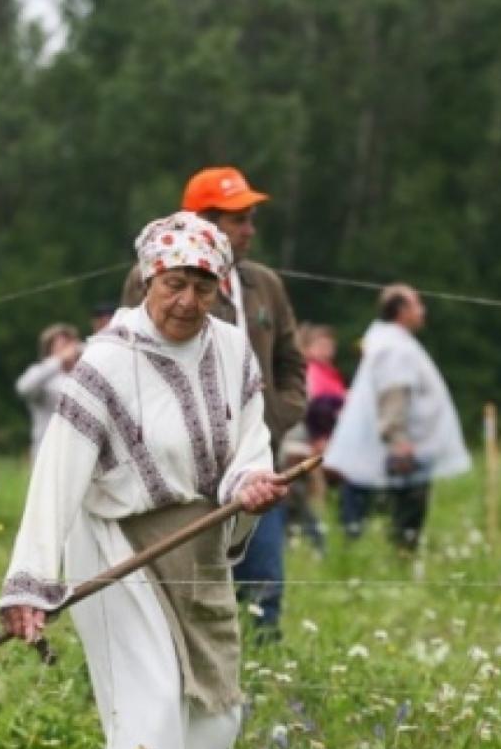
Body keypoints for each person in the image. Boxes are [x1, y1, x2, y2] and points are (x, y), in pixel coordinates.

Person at [1, 212, 287, 749]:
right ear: (148, 278)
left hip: (199, 544)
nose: (187, 301)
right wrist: (30, 583)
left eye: (203, 287)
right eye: (173, 284)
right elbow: (57, 474)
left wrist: (250, 481)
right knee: (151, 700)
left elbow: (250, 440)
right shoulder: (105, 362)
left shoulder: (233, 349)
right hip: (117, 545)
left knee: (217, 705)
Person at [121, 167, 304, 645]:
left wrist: (273, 421)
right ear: (200, 221)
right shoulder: (152, 279)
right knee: (182, 588)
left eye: (251, 218)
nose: (249, 229)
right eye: (238, 218)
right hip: (180, 476)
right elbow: (130, 367)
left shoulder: (264, 284)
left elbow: (291, 363)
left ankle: (264, 681)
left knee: (264, 581)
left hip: (257, 465)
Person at [324, 284, 469, 550]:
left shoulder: (390, 342)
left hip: (384, 448)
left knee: (368, 522)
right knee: (400, 523)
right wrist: (398, 440)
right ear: (402, 311)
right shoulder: (395, 348)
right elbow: (394, 393)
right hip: (397, 451)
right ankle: (387, 564)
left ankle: (364, 561)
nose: (423, 311)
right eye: (418, 305)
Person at [285, 324, 345, 552]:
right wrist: (321, 436)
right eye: (320, 345)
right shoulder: (310, 373)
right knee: (300, 498)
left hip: (309, 444)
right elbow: (316, 409)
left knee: (303, 499)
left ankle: (308, 544)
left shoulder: (328, 373)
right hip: (301, 444)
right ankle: (317, 545)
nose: (326, 350)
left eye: (329, 345)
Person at [15, 323, 82, 460]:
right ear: (49, 350)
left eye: (69, 344)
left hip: (78, 453)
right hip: (48, 454)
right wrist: (59, 360)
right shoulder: (41, 375)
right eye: (62, 346)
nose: (68, 349)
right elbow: (23, 387)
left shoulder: (84, 375)